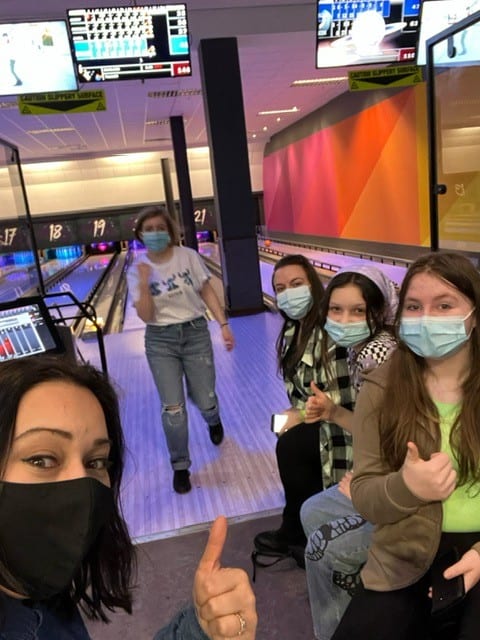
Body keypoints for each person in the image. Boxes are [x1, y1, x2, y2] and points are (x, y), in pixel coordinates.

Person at [0, 355, 257, 639]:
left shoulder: (33, 591)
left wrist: (199, 629)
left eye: (96, 462)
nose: (81, 483)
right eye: (41, 459)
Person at [332, 251, 480, 640]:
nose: (426, 318)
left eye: (444, 305)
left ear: (474, 313)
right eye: (414, 307)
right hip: (404, 552)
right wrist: (407, 487)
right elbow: (364, 494)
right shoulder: (380, 387)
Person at [298, 263, 398, 640]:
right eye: (336, 309)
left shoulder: (377, 354)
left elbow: (406, 436)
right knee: (312, 510)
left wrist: (371, 477)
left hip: (401, 488)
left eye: (358, 311)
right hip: (388, 475)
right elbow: (376, 428)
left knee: (321, 547)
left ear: (379, 311)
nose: (344, 319)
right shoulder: (364, 350)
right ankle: (362, 599)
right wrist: (333, 412)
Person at [253, 255, 355, 563]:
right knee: (281, 432)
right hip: (317, 418)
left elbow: (343, 398)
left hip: (346, 428)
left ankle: (297, 530)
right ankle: (302, 524)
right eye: (280, 288)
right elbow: (299, 394)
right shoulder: (291, 333)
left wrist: (299, 416)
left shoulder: (332, 332)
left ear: (313, 284)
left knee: (291, 445)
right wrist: (293, 413)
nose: (288, 294)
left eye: (296, 284)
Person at [127, 205, 234, 494]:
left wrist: (223, 324)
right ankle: (181, 466)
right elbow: (146, 316)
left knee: (205, 398)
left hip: (195, 333)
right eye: (148, 230)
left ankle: (213, 418)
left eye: (159, 228)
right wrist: (146, 283)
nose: (155, 234)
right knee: (173, 409)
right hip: (160, 341)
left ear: (169, 230)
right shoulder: (136, 271)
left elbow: (206, 291)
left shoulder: (188, 257)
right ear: (140, 235)